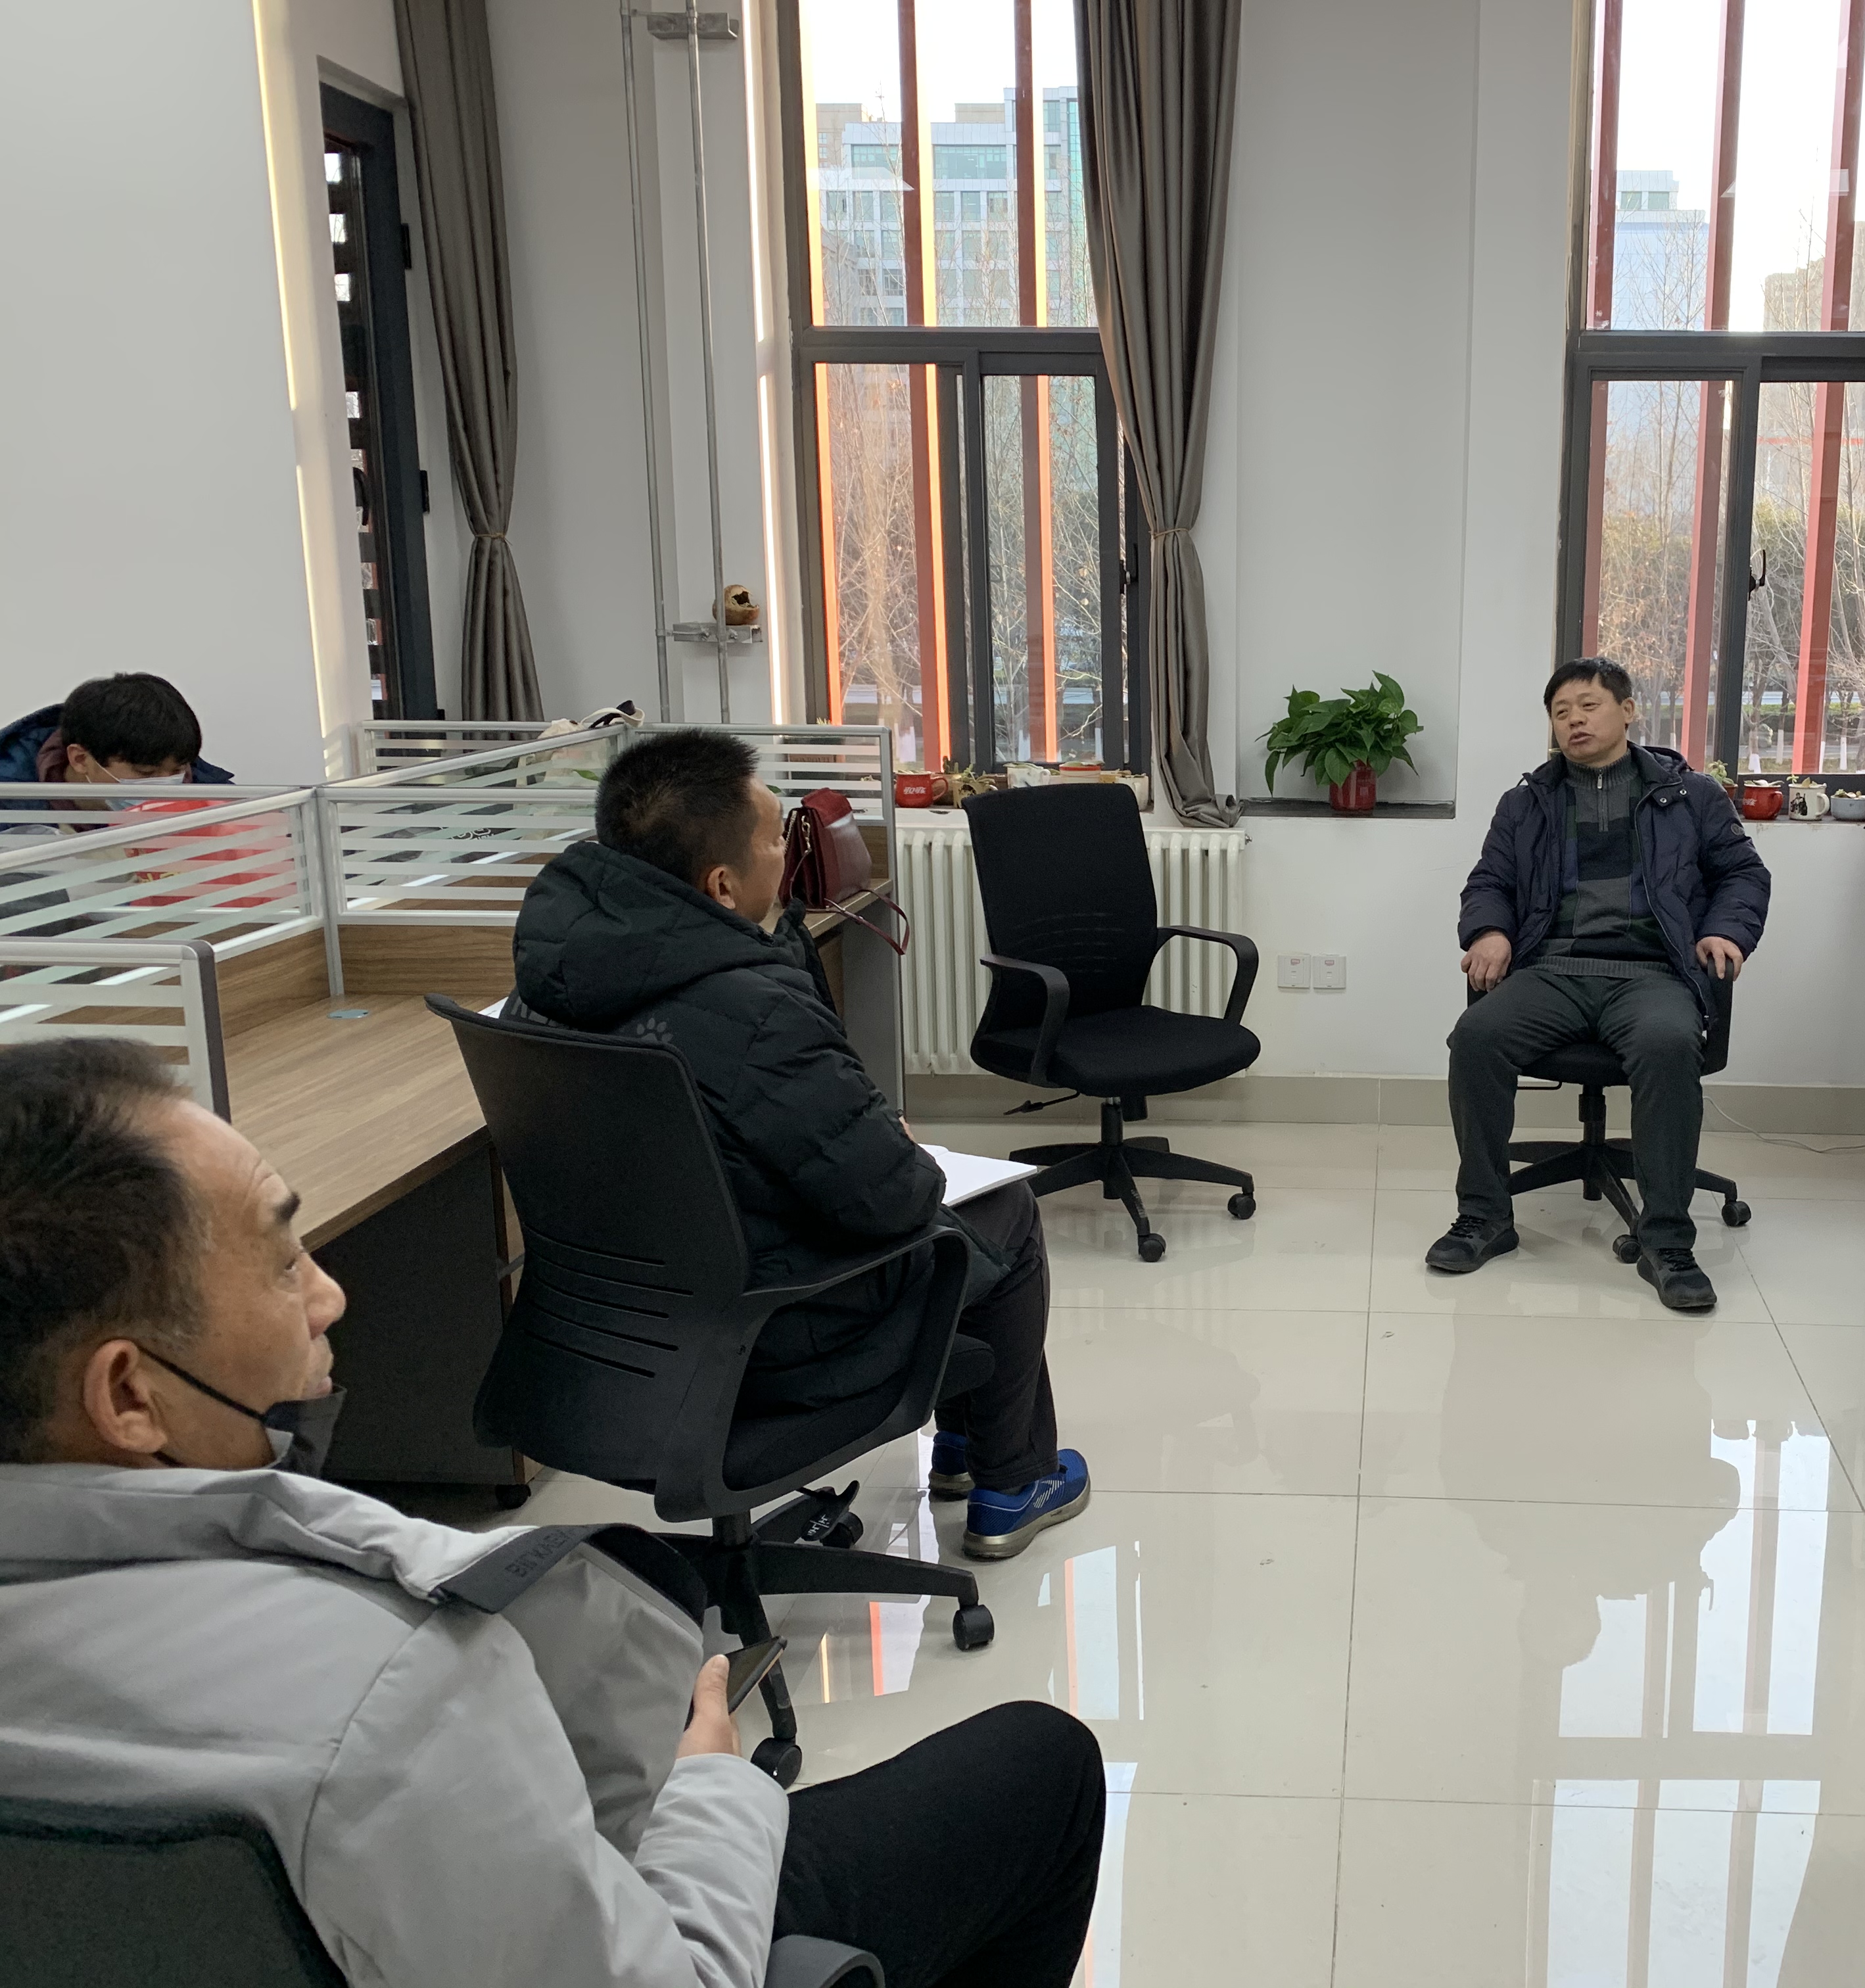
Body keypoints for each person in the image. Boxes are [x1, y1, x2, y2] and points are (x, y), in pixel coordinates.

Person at [0, 1037, 1106, 1988]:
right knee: (1044, 1767)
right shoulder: (396, 1689)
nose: (331, 1292)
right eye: (283, 1258)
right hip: (771, 1359)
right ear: (129, 1395)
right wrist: (710, 1785)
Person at [511, 728, 1085, 1561]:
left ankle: (962, 1449)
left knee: (962, 1221)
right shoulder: (750, 1010)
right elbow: (895, 1199)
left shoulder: (544, 990)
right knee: (1005, 1212)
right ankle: (1011, 1481)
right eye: (776, 839)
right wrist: (895, 1147)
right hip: (770, 1337)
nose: (789, 852)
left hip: (616, 1347)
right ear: (721, 883)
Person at [1432, 657, 1771, 1312]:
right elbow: (1490, 882)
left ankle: (1666, 1241)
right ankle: (1484, 1216)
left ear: (1628, 710)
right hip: (1552, 969)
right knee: (1475, 1038)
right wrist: (1489, 931)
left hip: (1652, 973)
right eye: (1561, 713)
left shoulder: (1691, 796)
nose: (1574, 721)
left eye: (1588, 706)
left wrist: (1726, 931)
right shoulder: (1527, 802)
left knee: (1669, 1045)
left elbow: (1742, 874)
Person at [0, 672, 231, 785]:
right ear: (80, 759)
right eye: (146, 774)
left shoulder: (215, 797)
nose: (167, 787)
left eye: (178, 771)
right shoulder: (10, 802)